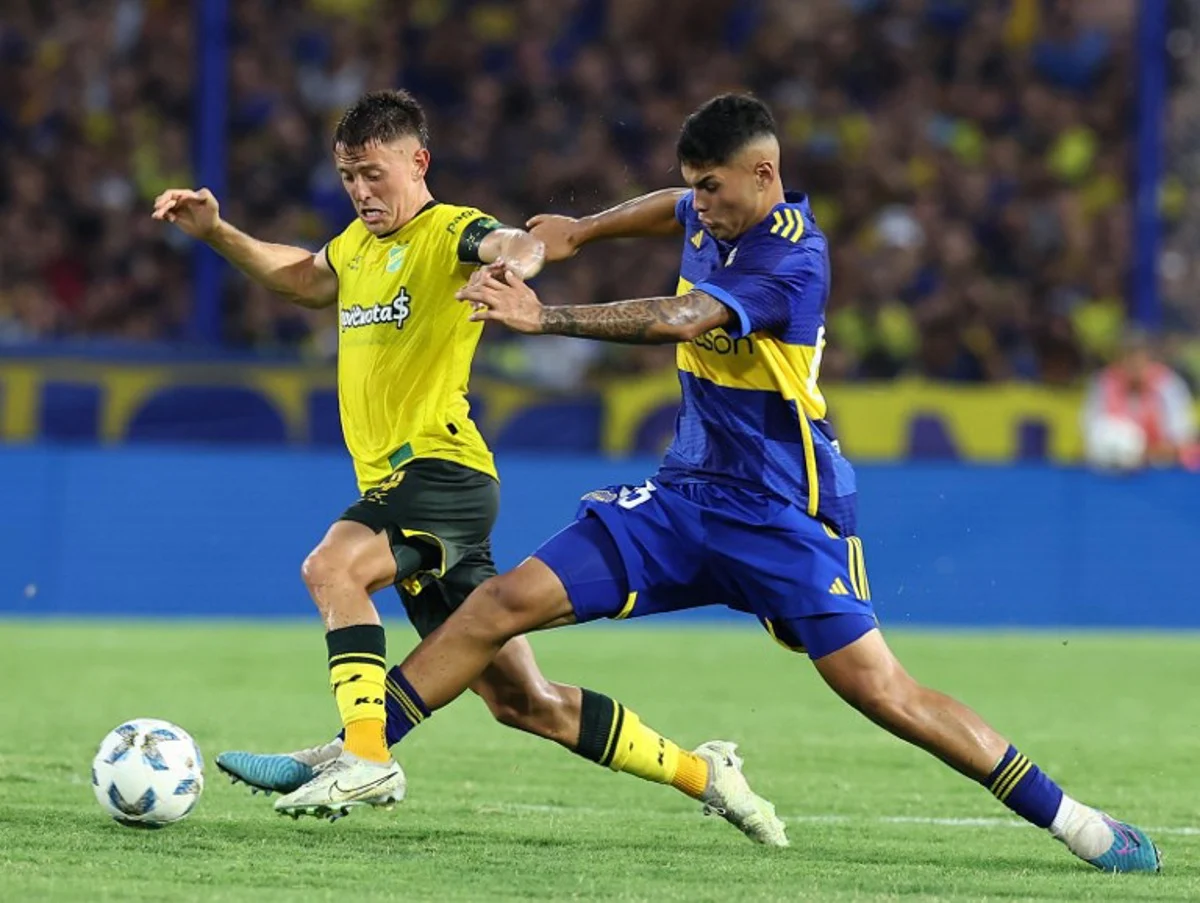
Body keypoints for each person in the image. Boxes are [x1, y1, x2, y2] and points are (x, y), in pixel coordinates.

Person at [274, 93, 1161, 875]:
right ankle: (362, 749)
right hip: (685, 497)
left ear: (765, 174)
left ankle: (1076, 822)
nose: (700, 205)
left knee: (885, 694)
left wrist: (546, 314)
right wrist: (583, 229)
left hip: (783, 515)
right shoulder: (711, 209)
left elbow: (679, 318)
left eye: (714, 188)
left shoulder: (791, 258)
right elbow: (668, 209)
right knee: (501, 602)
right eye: (694, 185)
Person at [153, 89, 785, 843]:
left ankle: (363, 753)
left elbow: (509, 240)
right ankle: (706, 773)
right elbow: (301, 276)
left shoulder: (447, 230)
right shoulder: (356, 249)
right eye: (348, 176)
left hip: (442, 473)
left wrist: (520, 265)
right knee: (527, 700)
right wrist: (219, 230)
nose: (360, 191)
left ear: (418, 162)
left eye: (374, 173)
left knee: (333, 567)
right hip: (404, 486)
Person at [1082, 330, 1199, 472]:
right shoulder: (1103, 383)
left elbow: (1182, 438)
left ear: (1149, 359)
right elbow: (1091, 431)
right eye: (1128, 357)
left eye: (1138, 358)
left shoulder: (1168, 384)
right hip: (1111, 469)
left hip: (1161, 471)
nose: (1133, 365)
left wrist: (1140, 454)